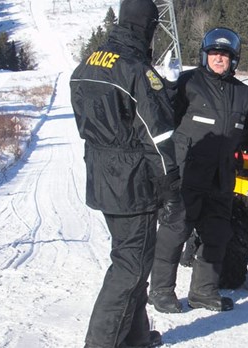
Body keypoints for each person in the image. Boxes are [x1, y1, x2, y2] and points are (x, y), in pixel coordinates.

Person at [148, 27, 248, 313]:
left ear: (233, 59)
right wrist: (168, 85)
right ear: (204, 55)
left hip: (221, 178)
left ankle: (203, 292)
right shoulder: (188, 83)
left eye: (224, 55)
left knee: (217, 235)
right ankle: (160, 291)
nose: (218, 59)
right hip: (187, 176)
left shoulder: (243, 94)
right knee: (174, 233)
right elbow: (162, 115)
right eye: (214, 54)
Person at [70, 0, 179, 346]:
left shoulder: (89, 63)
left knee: (130, 260)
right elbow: (158, 136)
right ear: (146, 26)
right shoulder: (136, 70)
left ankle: (135, 337)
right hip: (134, 184)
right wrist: (170, 188)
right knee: (129, 271)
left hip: (101, 178)